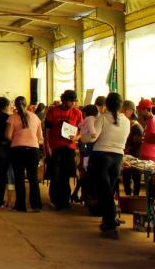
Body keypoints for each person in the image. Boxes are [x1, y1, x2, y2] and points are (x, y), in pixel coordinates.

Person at [90, 92, 130, 240]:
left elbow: (94, 135)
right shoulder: (126, 121)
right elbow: (125, 137)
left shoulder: (102, 118)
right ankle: (108, 221)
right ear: (121, 105)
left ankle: (110, 225)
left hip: (101, 156)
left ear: (107, 104)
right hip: (117, 157)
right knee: (110, 189)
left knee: (104, 191)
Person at [44, 90, 83, 210]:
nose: (73, 104)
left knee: (66, 175)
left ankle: (65, 200)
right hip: (55, 147)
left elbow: (82, 130)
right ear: (65, 100)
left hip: (69, 148)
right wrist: (47, 146)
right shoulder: (53, 112)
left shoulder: (77, 113)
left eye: (74, 101)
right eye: (71, 101)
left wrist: (76, 138)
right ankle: (54, 199)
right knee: (55, 174)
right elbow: (47, 131)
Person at [7, 96, 43, 212]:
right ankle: (36, 205)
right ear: (27, 104)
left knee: (19, 178)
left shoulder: (12, 118)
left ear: (15, 105)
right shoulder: (35, 117)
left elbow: (7, 135)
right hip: (33, 150)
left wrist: (16, 139)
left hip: (18, 150)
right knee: (33, 178)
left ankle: (20, 205)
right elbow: (40, 138)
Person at [72, 104, 100, 204]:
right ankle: (80, 195)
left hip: (86, 150)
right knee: (86, 172)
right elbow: (90, 130)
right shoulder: (94, 119)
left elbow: (81, 126)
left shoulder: (88, 119)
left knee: (85, 172)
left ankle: (78, 194)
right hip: (89, 149)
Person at [136, 99, 155, 165]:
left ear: (146, 110)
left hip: (150, 154)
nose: (139, 112)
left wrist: (141, 139)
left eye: (140, 110)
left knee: (148, 174)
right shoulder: (149, 120)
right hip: (147, 153)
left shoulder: (153, 122)